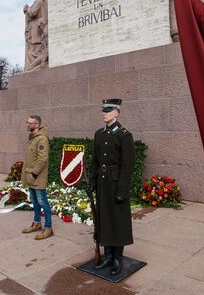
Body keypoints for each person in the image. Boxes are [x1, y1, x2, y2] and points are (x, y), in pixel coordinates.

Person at [88, 99, 135, 276]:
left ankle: (117, 257)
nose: (104, 113)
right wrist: (92, 181)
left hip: (116, 185)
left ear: (117, 113)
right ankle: (107, 255)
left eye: (108, 110)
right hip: (102, 183)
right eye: (103, 110)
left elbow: (128, 166)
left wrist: (122, 190)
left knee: (118, 220)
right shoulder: (99, 134)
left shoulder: (124, 135)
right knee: (104, 218)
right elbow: (95, 161)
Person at [21, 115, 53, 240]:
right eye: (27, 122)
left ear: (37, 125)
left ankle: (48, 228)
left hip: (37, 177)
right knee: (34, 202)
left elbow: (43, 159)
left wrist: (34, 173)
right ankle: (37, 223)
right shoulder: (33, 138)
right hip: (31, 176)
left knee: (42, 202)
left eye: (30, 123)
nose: (27, 124)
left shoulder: (42, 139)